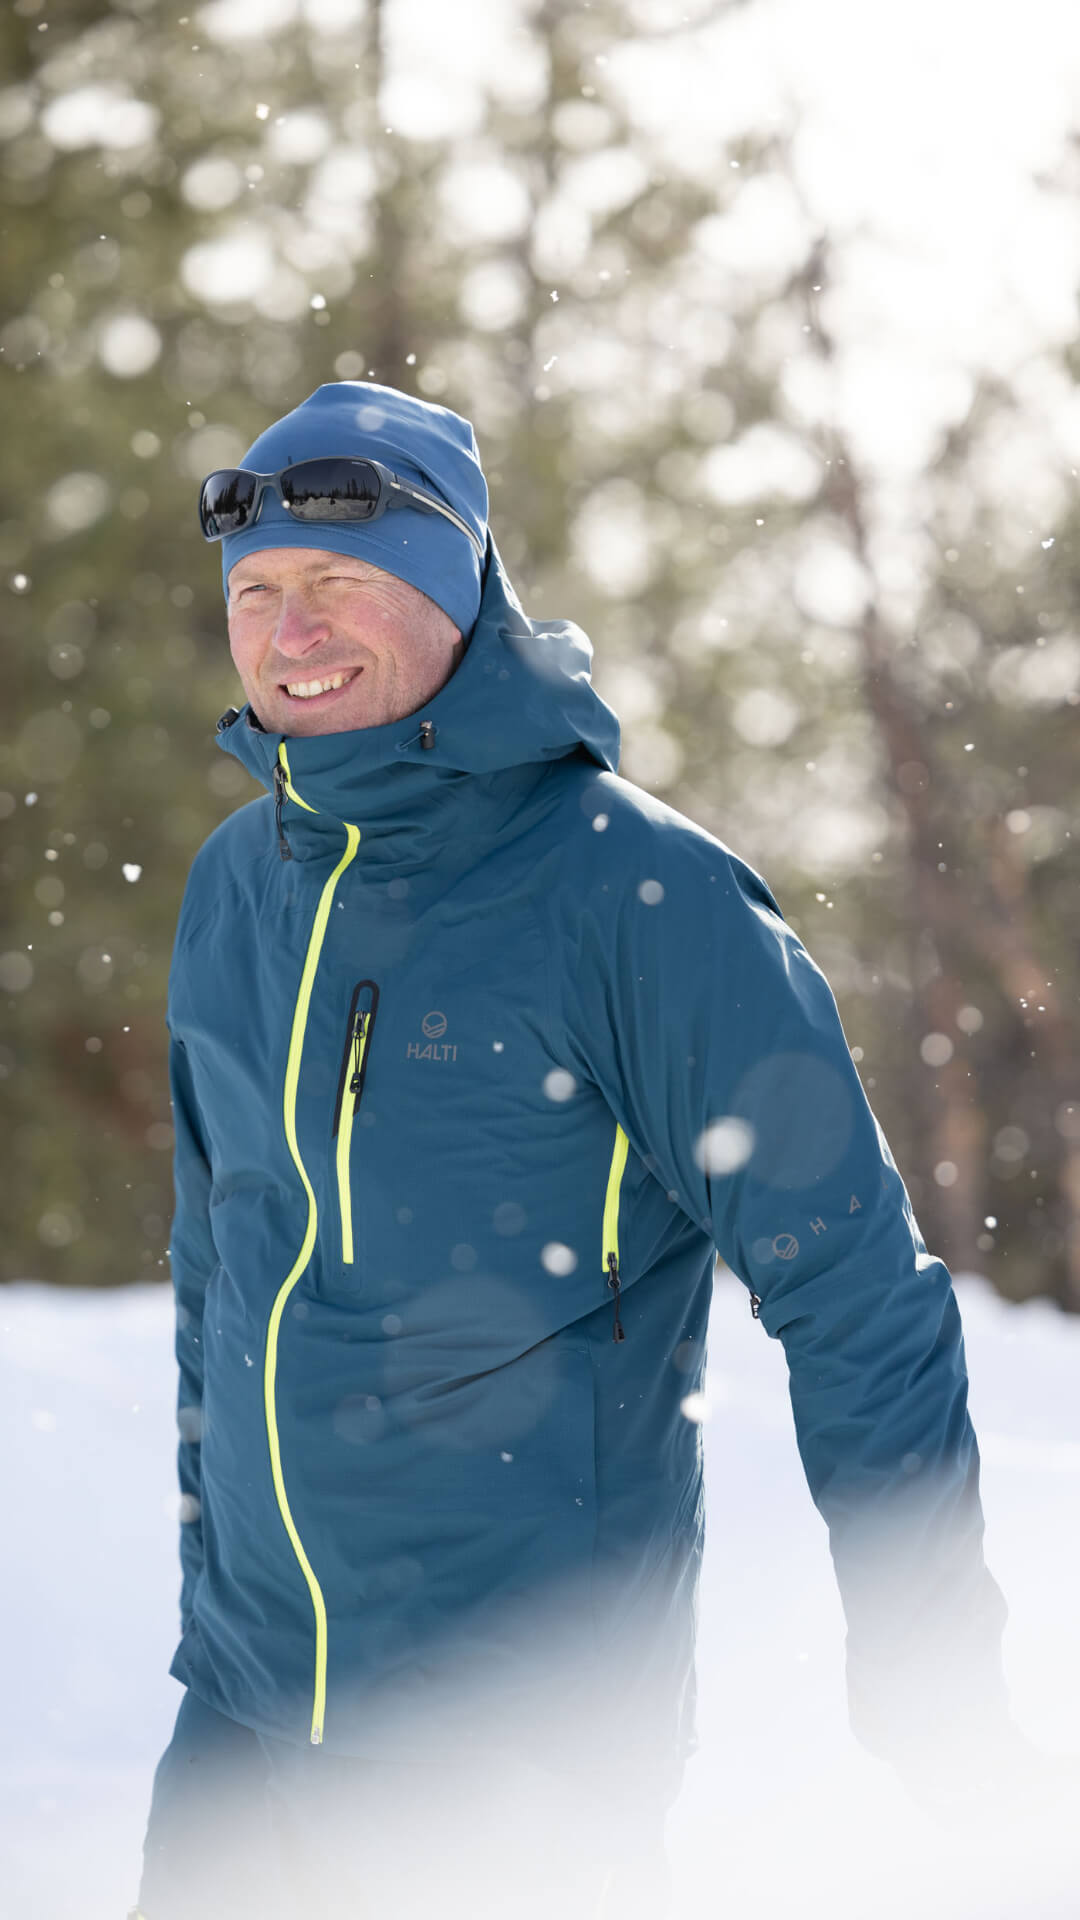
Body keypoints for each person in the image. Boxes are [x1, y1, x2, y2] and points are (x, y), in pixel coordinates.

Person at [134, 380, 1023, 1920]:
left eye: (342, 580)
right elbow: (220, 1267)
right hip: (243, 1715)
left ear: (455, 591)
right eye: (257, 590)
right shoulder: (238, 883)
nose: (292, 630)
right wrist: (220, 1600)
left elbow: (855, 1291)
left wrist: (930, 1664)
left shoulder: (634, 895)